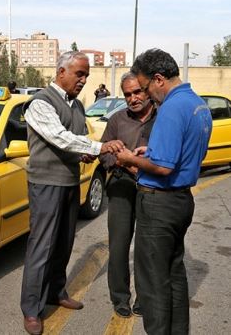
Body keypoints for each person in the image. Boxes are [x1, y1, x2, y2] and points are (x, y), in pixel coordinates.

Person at [21, 51, 124, 335]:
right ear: (61, 72)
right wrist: (98, 148)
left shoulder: (77, 105)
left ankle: (56, 292)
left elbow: (76, 139)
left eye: (87, 75)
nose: (83, 80)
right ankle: (31, 308)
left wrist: (84, 153)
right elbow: (58, 137)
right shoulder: (40, 103)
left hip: (69, 182)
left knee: (64, 243)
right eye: (79, 74)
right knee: (41, 246)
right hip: (46, 183)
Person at [116, 48, 212, 334]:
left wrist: (130, 159)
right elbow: (182, 153)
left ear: (158, 79)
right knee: (174, 273)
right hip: (181, 201)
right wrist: (153, 151)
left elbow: (163, 168)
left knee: (152, 284)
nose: (146, 95)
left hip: (160, 204)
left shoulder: (171, 107)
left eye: (145, 88)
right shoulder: (197, 104)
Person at [98, 72, 156, 318]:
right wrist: (121, 162)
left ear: (146, 90)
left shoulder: (163, 117)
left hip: (152, 190)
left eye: (137, 92)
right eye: (127, 94)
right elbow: (103, 153)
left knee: (147, 247)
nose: (133, 98)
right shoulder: (117, 120)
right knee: (119, 246)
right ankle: (120, 298)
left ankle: (144, 298)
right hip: (121, 187)